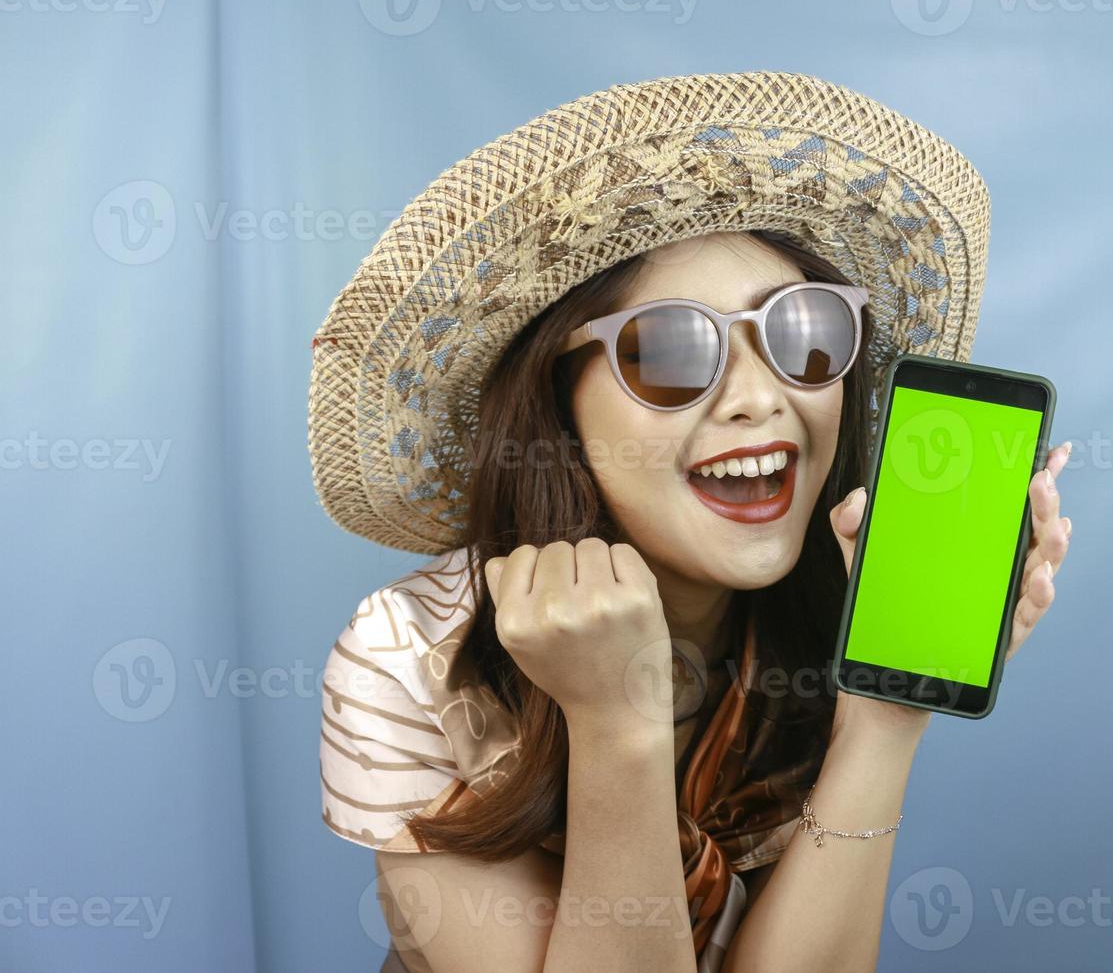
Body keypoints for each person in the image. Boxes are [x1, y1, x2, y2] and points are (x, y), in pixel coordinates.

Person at [309, 71, 1072, 973]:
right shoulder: (409, 659)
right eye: (673, 350)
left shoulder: (837, 616)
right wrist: (615, 719)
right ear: (561, 405)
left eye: (804, 334)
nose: (760, 397)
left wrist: (886, 716)